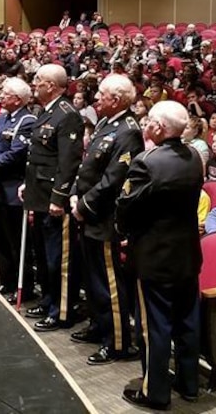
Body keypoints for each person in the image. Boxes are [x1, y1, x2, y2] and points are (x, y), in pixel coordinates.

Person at [116, 101, 203, 408]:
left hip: (154, 255)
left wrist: (123, 231)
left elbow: (127, 207)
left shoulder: (146, 161)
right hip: (188, 253)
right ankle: (189, 384)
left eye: (149, 121)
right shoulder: (194, 156)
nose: (145, 125)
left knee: (154, 325)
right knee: (187, 321)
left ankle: (155, 392)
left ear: (160, 128)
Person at [69, 74, 145, 365]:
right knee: (92, 279)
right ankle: (99, 326)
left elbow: (114, 179)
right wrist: (76, 194)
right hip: (89, 212)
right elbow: (88, 166)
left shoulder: (129, 132)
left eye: (101, 94)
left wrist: (84, 205)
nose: (96, 98)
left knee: (109, 283)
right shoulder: (106, 123)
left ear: (116, 99)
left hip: (105, 218)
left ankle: (118, 343)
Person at [22, 64, 85, 332]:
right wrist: (28, 185)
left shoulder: (67, 115)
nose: (34, 84)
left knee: (57, 257)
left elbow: (68, 161)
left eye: (38, 80)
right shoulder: (46, 111)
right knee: (43, 254)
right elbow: (39, 155)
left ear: (51, 85)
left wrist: (58, 198)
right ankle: (48, 298)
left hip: (53, 199)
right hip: (39, 194)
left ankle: (61, 310)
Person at [0, 78, 37, 305]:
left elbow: (17, 153)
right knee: (1, 239)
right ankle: (6, 280)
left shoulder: (27, 120)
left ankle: (23, 286)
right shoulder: (3, 117)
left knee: (17, 242)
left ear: (17, 98)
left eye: (4, 93)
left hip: (15, 188)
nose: (0, 96)